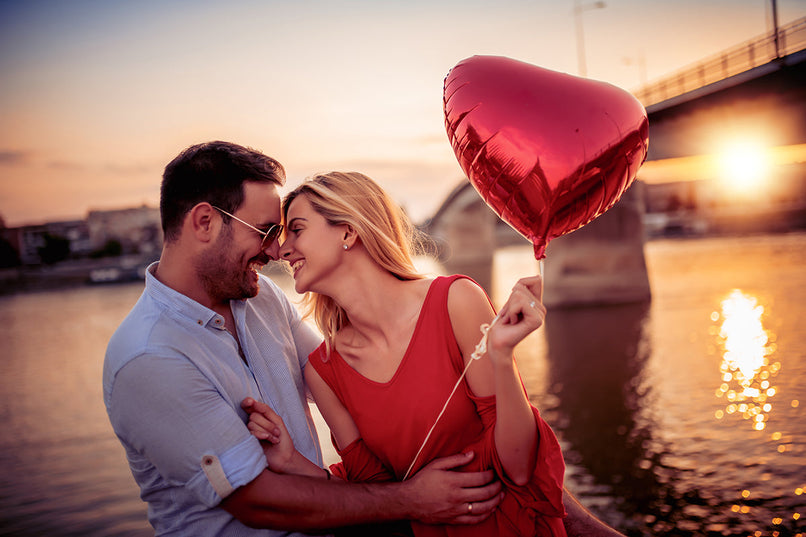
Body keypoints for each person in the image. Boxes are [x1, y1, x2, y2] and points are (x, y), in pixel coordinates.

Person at [102, 141, 506, 537]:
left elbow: (352, 381)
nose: (276, 249)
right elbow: (257, 501)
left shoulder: (262, 300)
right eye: (264, 231)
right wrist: (412, 500)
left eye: (283, 230)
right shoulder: (148, 357)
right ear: (205, 222)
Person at [244, 171, 625, 536]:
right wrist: (292, 463)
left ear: (348, 230)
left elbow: (520, 468)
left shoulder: (457, 300)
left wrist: (502, 356)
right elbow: (372, 496)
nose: (281, 249)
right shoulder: (323, 371)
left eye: (296, 229)